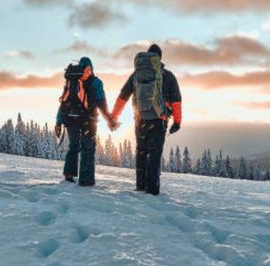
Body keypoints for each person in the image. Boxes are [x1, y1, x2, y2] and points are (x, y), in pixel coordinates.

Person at [110, 44, 182, 195]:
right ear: (159, 58)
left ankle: (140, 186)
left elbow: (123, 96)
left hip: (140, 119)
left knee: (141, 152)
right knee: (154, 155)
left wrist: (114, 116)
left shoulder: (136, 75)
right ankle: (152, 190)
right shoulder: (167, 76)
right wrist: (177, 122)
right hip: (159, 119)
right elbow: (176, 101)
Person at [55, 57, 115, 186]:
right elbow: (101, 103)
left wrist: (58, 121)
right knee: (88, 149)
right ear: (91, 68)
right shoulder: (96, 82)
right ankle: (86, 180)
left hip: (71, 118)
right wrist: (109, 119)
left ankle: (69, 175)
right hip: (89, 120)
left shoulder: (72, 80)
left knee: (73, 146)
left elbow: (63, 102)